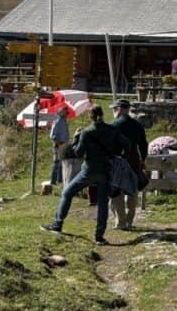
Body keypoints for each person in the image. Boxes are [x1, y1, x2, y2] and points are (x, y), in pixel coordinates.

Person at [41, 105, 128, 245]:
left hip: (89, 170)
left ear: (90, 116)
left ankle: (57, 224)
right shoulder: (112, 130)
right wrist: (115, 155)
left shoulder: (87, 132)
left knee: (67, 193)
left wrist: (76, 138)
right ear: (102, 115)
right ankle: (99, 236)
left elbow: (78, 153)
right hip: (105, 170)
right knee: (102, 203)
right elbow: (126, 144)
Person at [110, 98, 149, 230]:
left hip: (118, 160)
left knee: (117, 191)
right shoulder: (137, 124)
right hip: (134, 159)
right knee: (132, 191)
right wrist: (143, 159)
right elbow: (143, 144)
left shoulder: (115, 124)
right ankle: (129, 221)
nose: (113, 112)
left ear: (119, 109)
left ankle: (120, 222)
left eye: (114, 109)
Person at [49, 105, 70, 186]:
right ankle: (53, 181)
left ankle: (59, 180)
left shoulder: (63, 121)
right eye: (64, 110)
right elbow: (52, 136)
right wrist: (60, 144)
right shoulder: (57, 121)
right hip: (58, 145)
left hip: (63, 145)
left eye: (66, 111)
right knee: (57, 163)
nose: (66, 112)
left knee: (61, 163)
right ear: (60, 112)